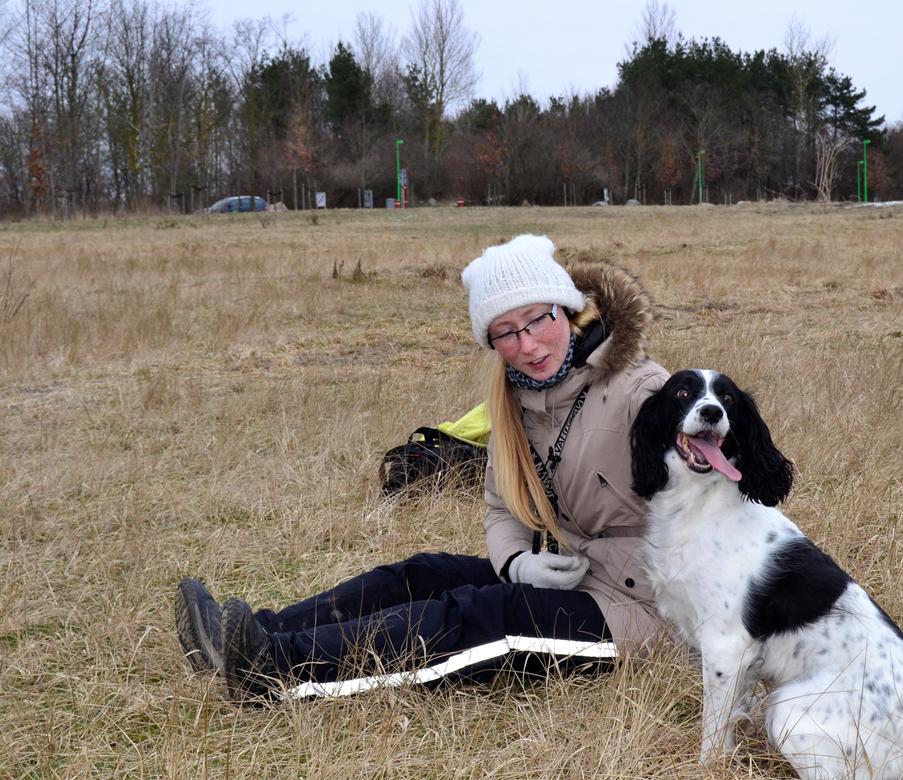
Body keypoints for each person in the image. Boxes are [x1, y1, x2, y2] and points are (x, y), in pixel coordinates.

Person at [175, 234, 671, 701]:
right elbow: (503, 508)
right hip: (572, 575)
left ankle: (275, 671)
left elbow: (724, 492)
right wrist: (520, 564)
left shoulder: (641, 391)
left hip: (645, 611)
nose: (528, 345)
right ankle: (256, 634)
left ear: (565, 307)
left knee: (484, 617)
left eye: (538, 319)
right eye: (506, 332)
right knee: (423, 573)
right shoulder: (516, 401)